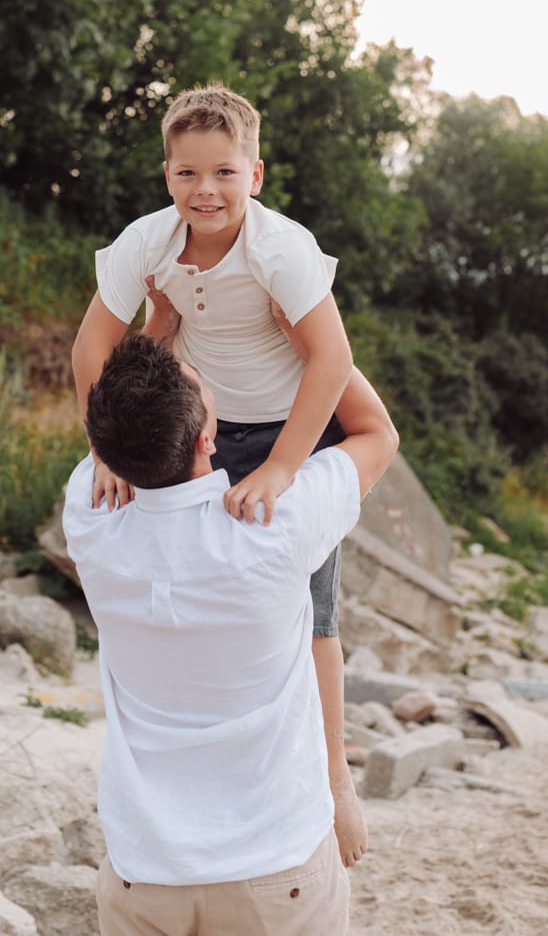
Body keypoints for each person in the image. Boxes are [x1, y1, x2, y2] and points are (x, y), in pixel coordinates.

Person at [71, 84, 365, 865]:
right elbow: (89, 351)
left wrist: (281, 467)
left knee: (310, 609)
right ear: (166, 175)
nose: (206, 190)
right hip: (194, 419)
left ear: (255, 175)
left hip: (285, 427)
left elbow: (332, 360)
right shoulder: (147, 241)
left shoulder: (280, 250)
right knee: (185, 572)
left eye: (225, 173)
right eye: (187, 174)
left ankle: (333, 777)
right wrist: (105, 451)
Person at [63, 334, 398, 935]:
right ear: (206, 438)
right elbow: (376, 433)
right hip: (277, 872)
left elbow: (108, 403)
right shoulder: (275, 523)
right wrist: (304, 334)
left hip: (144, 876)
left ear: (105, 446)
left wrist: (162, 312)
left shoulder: (90, 521)